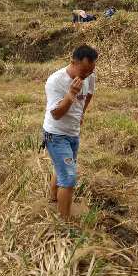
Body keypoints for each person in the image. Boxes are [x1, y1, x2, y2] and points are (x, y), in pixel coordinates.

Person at [42, 45, 98, 219]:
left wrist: (82, 112)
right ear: (73, 61)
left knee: (62, 167)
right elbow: (57, 114)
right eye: (84, 71)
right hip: (56, 134)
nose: (87, 75)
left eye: (90, 71)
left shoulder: (89, 76)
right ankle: (64, 223)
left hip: (73, 133)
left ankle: (52, 198)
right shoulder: (55, 81)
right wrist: (71, 94)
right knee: (69, 178)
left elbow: (88, 94)